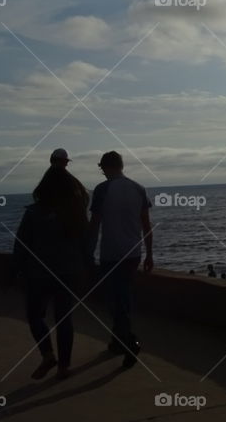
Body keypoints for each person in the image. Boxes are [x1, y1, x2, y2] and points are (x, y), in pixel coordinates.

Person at [13, 167, 88, 380]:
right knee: (64, 318)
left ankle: (47, 354)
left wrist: (17, 270)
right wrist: (84, 267)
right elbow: (85, 243)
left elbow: (21, 245)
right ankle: (64, 367)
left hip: (38, 273)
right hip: (68, 271)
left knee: (35, 316)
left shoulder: (33, 213)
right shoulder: (76, 213)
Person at [87, 151, 153, 370]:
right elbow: (146, 226)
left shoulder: (102, 190)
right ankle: (117, 341)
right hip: (133, 254)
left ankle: (129, 342)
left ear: (105, 167)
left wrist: (88, 252)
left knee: (115, 300)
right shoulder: (139, 189)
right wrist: (150, 254)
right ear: (121, 165)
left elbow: (95, 225)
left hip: (111, 254)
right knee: (122, 296)